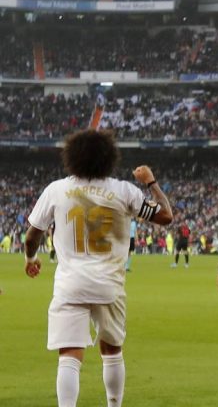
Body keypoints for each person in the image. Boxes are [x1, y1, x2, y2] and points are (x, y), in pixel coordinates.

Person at [23, 129, 173, 407]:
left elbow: (32, 236)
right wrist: (151, 182)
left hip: (70, 285)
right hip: (109, 286)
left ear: (71, 157)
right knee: (112, 351)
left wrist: (31, 260)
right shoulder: (124, 190)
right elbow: (166, 216)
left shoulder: (56, 189)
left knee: (69, 356)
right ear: (109, 158)